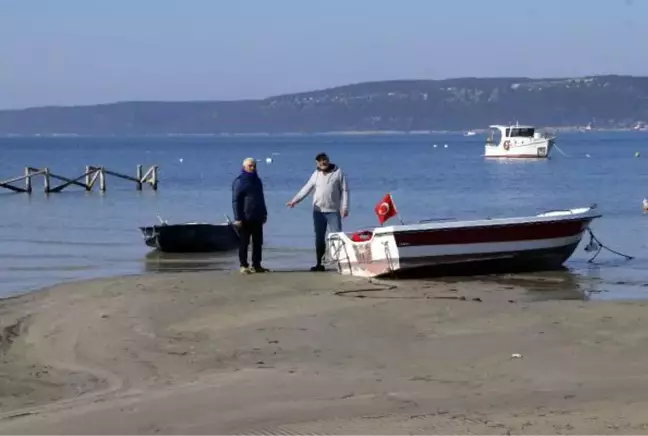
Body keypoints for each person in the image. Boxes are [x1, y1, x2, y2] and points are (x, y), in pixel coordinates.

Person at [287, 152, 349, 271]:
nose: (323, 162)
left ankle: (341, 264)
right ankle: (319, 264)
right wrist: (294, 201)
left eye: (324, 160)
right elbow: (306, 188)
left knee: (337, 237)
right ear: (317, 163)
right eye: (320, 161)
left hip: (333, 211)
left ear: (328, 160)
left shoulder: (338, 172)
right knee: (319, 238)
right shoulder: (316, 174)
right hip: (318, 212)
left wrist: (344, 208)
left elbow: (345, 191)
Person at [232, 157, 269, 274]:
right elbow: (236, 201)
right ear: (244, 167)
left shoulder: (257, 181)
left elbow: (261, 198)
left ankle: (257, 264)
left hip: (257, 216)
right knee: (244, 242)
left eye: (254, 166)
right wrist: (238, 218)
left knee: (258, 242)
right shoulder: (239, 181)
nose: (252, 168)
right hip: (245, 217)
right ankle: (243, 265)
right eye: (250, 166)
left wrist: (264, 213)